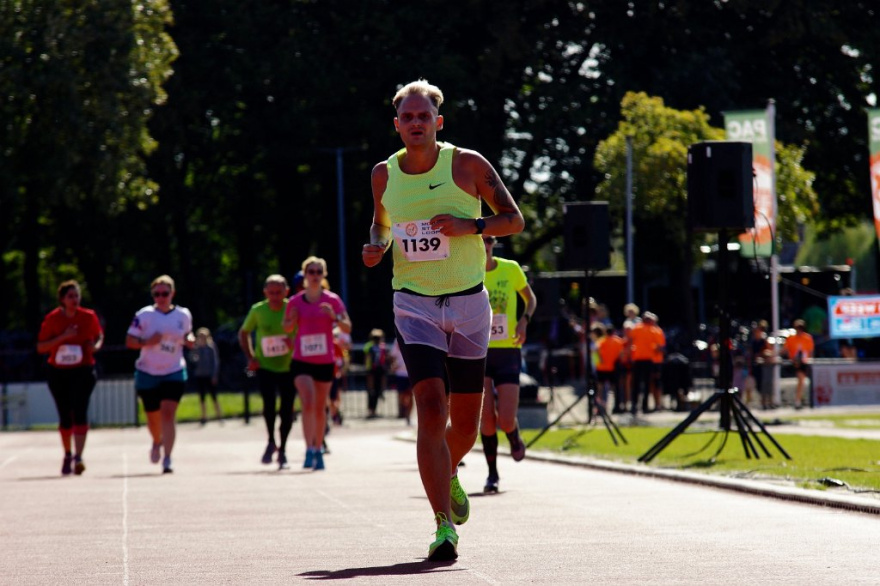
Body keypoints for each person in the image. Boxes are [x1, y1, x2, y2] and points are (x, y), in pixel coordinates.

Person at [362, 79, 524, 561]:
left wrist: (469, 226)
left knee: (466, 429)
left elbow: (512, 220)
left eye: (423, 116)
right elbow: (382, 222)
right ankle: (442, 527)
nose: (415, 123)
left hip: (469, 304)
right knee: (432, 409)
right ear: (396, 125)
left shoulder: (468, 165)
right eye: (407, 117)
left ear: (438, 121)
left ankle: (449, 468)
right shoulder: (383, 175)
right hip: (413, 304)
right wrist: (378, 245)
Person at [479, 234, 536, 493]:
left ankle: (513, 435)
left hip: (508, 351)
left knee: (505, 419)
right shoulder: (466, 273)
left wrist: (524, 319)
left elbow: (530, 298)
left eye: (489, 240)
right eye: (479, 240)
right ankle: (492, 474)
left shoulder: (510, 269)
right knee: (486, 422)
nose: (485, 244)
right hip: (478, 352)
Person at [283, 256, 352, 471]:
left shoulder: (332, 300)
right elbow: (286, 327)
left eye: (318, 272)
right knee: (308, 402)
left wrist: (334, 318)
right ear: (305, 275)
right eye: (311, 272)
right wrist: (291, 320)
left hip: (324, 360)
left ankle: (318, 448)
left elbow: (347, 327)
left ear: (324, 275)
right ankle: (309, 448)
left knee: (320, 406)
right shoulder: (295, 301)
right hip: (301, 360)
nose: (314, 275)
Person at [126, 275, 195, 474]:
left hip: (173, 370)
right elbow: (130, 341)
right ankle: (157, 440)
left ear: (172, 293)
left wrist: (189, 340)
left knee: (168, 413)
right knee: (152, 416)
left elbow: (187, 334)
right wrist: (148, 342)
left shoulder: (183, 315)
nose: (161, 297)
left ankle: (168, 457)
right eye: (157, 294)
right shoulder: (145, 315)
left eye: (165, 293)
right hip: (147, 371)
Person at [36, 280, 104, 476]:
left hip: (83, 370)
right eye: (70, 296)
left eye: (77, 296)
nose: (75, 300)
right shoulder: (52, 319)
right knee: (65, 415)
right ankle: (67, 453)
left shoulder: (88, 316)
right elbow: (41, 347)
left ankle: (79, 457)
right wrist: (63, 337)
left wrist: (96, 346)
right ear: (62, 300)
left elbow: (98, 336)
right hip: (58, 372)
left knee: (80, 410)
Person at [239, 274, 296, 469]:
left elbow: (304, 330)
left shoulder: (293, 307)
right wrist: (251, 357)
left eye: (278, 292)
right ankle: (271, 441)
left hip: (289, 366)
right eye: (271, 293)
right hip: (265, 366)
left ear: (286, 291)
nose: (274, 296)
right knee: (269, 407)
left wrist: (294, 344)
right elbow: (244, 332)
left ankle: (284, 450)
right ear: (265, 292)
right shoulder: (258, 310)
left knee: (287, 409)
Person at [628, 311, 665, 416]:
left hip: (638, 359)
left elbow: (630, 341)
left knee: (636, 384)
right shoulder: (654, 330)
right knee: (647, 384)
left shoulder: (636, 328)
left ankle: (635, 405)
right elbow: (659, 347)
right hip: (648, 360)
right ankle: (644, 406)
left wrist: (631, 353)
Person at [591, 323, 625, 414]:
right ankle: (617, 406)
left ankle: (600, 408)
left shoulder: (601, 341)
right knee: (614, 389)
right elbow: (621, 355)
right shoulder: (618, 341)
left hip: (601, 368)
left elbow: (595, 352)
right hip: (612, 368)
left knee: (600, 389)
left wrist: (599, 361)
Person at [192, 327, 223, 425]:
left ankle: (219, 415)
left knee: (214, 396)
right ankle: (203, 416)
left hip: (209, 374)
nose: (202, 338)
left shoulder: (211, 347)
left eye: (204, 336)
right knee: (202, 397)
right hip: (200, 374)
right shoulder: (196, 348)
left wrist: (214, 375)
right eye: (200, 336)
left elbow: (215, 362)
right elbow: (192, 360)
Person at [783, 319, 815, 409]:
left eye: (801, 328)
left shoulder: (807, 338)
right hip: (794, 362)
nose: (799, 330)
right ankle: (798, 399)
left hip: (804, 362)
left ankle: (799, 399)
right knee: (800, 380)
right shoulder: (791, 338)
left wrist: (810, 360)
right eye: (797, 328)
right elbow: (785, 349)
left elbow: (810, 351)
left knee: (802, 380)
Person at [362, 328, 388, 418]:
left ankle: (374, 410)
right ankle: (370, 409)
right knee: (371, 390)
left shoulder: (383, 347)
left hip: (380, 371)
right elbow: (367, 358)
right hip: (371, 371)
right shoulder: (369, 346)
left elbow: (384, 359)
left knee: (378, 390)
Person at [387, 337, 413, 425]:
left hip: (411, 373)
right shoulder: (397, 340)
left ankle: (408, 416)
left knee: (410, 395)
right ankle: (403, 411)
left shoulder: (414, 337)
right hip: (400, 374)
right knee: (401, 395)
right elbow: (393, 355)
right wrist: (393, 365)